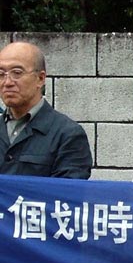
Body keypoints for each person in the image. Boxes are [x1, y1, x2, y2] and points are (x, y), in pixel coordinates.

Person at [0, 41, 92, 178]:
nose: (7, 82)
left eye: (17, 73)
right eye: (1, 74)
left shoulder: (67, 134)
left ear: (40, 78)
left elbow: (66, 190)